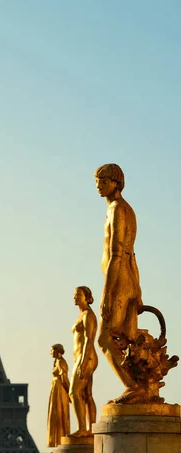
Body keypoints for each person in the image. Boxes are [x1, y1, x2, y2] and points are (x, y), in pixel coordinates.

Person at [94, 163, 143, 402]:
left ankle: (133, 386)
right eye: (97, 182)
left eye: (103, 181)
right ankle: (139, 389)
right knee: (127, 341)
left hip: (119, 282)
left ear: (116, 183)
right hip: (129, 279)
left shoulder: (116, 209)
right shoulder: (127, 209)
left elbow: (116, 253)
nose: (98, 186)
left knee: (105, 339)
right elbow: (132, 254)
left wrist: (106, 293)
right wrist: (138, 289)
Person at [69, 286, 98, 436]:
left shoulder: (88, 315)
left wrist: (83, 362)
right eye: (74, 295)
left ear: (86, 297)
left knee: (74, 392)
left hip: (86, 357)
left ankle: (82, 429)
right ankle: (90, 429)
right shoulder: (81, 315)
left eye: (78, 295)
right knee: (87, 394)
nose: (74, 297)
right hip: (82, 357)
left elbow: (89, 340)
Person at [47, 343, 70, 447]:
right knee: (56, 414)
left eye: (51, 350)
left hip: (60, 389)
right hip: (56, 388)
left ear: (57, 351)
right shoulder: (56, 362)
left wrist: (70, 393)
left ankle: (60, 440)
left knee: (59, 414)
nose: (50, 352)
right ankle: (57, 441)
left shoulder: (61, 362)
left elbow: (64, 379)